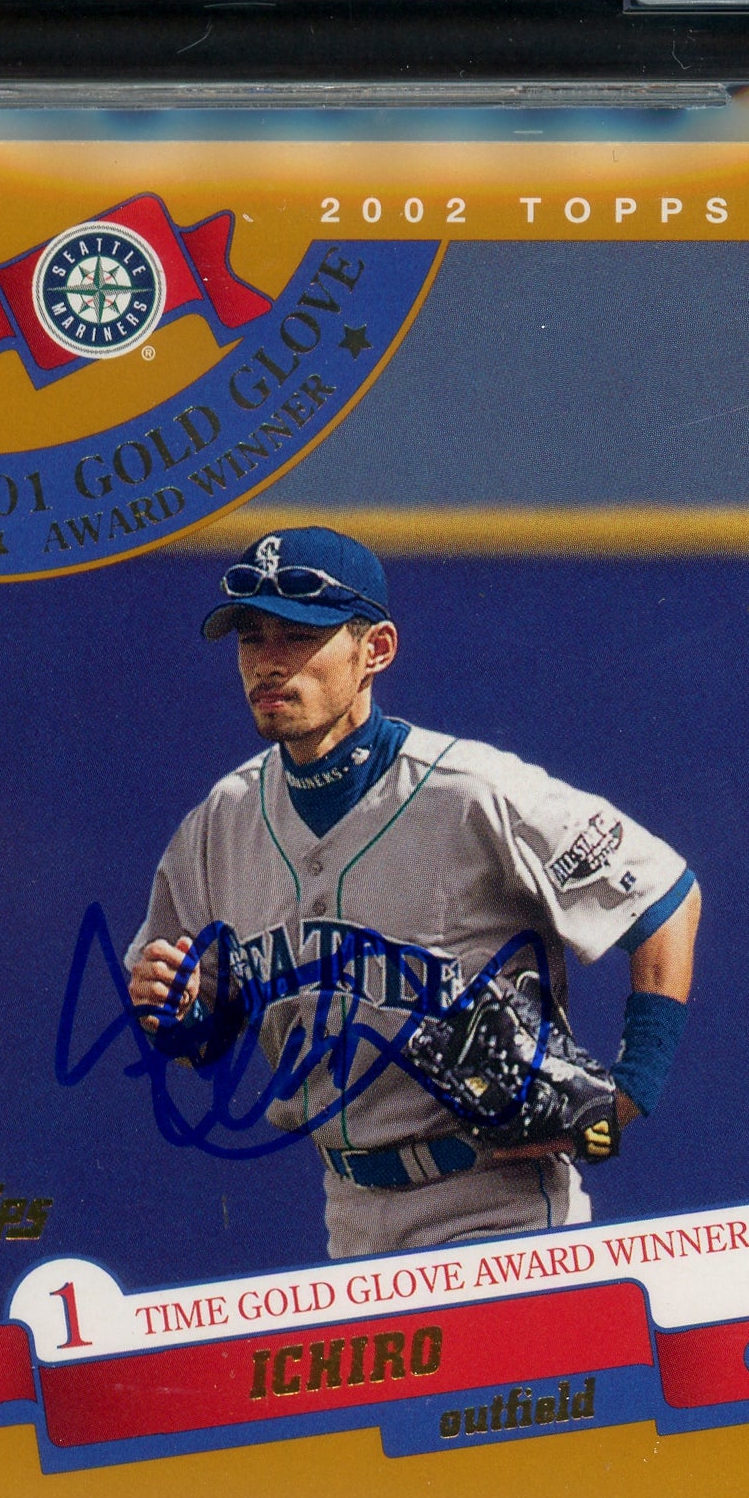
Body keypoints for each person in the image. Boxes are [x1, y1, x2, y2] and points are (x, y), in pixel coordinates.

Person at [127, 525, 700, 1260]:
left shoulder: (471, 790)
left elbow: (664, 895)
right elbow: (203, 1033)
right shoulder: (221, 822)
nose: (268, 662)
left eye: (298, 636)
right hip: (351, 1216)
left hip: (500, 1211)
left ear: (376, 650)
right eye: (251, 638)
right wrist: (175, 1013)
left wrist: (629, 1094)